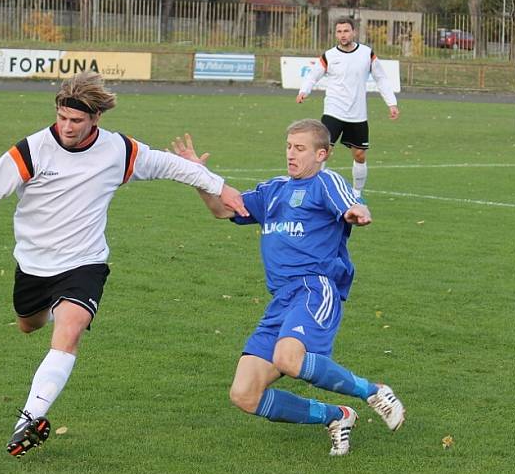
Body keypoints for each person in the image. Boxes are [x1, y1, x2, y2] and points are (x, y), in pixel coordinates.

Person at [0, 71, 246, 459]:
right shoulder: (31, 151)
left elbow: (170, 165)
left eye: (76, 120)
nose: (67, 127)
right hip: (34, 265)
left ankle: (30, 418)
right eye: (62, 117)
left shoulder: (118, 150)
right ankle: (40, 320)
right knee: (30, 324)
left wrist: (219, 184)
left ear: (95, 119)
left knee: (70, 329)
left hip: (84, 263)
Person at [171, 120, 405, 456]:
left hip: (314, 289)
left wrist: (357, 212)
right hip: (281, 300)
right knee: (244, 394)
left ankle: (374, 391)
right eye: (288, 146)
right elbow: (222, 209)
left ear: (321, 154)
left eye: (300, 148)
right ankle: (337, 417)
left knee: (288, 358)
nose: (291, 154)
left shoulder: (325, 182)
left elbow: (352, 203)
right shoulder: (273, 191)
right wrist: (198, 177)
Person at [296, 17, 399, 199]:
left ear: (354, 32)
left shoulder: (366, 54)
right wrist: (304, 90)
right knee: (323, 151)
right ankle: (316, 191)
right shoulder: (329, 55)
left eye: (346, 31)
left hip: (357, 113)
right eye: (339, 31)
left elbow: (381, 78)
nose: (342, 35)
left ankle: (356, 193)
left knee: (359, 155)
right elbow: (313, 76)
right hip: (333, 110)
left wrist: (391, 103)